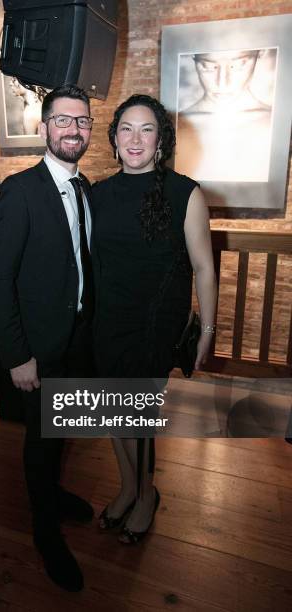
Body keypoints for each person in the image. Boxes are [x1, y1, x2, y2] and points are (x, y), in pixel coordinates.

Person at [92, 94, 217, 544]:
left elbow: (204, 267)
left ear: (161, 140)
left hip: (154, 323)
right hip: (106, 319)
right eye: (126, 128)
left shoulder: (186, 192)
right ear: (114, 138)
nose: (136, 138)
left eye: (147, 129)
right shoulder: (98, 194)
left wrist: (207, 330)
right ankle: (129, 487)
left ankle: (147, 496)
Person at [0, 85, 95, 592]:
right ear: (44, 127)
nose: (74, 130)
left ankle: (52, 492)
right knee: (40, 436)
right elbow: (0, 280)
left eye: (83, 122)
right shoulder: (20, 190)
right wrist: (17, 356)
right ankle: (44, 531)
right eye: (64, 120)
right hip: (36, 348)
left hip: (75, 339)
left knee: (64, 427)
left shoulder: (86, 187)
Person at [176, 49, 274, 181]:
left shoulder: (273, 122)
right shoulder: (177, 123)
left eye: (238, 66)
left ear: (259, 54)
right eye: (208, 67)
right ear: (194, 60)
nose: (222, 82)